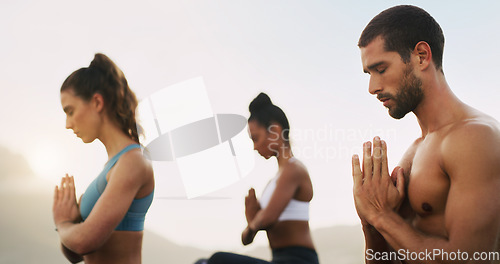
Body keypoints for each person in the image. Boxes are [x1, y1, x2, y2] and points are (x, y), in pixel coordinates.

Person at [352, 5, 500, 264]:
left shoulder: (475, 137)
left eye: (381, 69)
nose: (372, 87)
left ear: (421, 56)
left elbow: (472, 259)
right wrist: (371, 222)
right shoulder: (415, 150)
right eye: (369, 74)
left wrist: (381, 216)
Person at [52, 53, 155, 264]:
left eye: (70, 111)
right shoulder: (113, 167)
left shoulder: (133, 162)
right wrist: (71, 222)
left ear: (97, 102)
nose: (67, 124)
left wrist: (63, 224)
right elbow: (77, 254)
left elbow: (84, 242)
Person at [197, 93, 319, 264]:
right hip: (278, 259)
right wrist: (253, 220)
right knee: (202, 262)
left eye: (255, 138)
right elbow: (248, 238)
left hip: (298, 260)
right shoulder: (274, 181)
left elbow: (266, 220)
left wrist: (254, 223)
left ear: (275, 131)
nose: (254, 147)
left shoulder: (294, 169)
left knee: (216, 260)